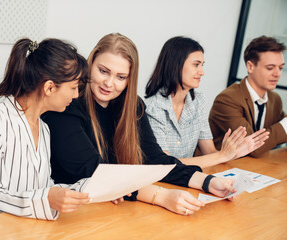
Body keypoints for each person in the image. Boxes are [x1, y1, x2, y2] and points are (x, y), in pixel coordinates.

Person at [42, 33, 237, 216]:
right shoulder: (66, 104)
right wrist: (160, 196)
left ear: (129, 79)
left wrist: (207, 182)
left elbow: (154, 159)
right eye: (103, 71)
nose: (109, 83)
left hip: (117, 206)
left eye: (120, 77)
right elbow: (95, 172)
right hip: (75, 212)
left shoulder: (132, 105)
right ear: (90, 64)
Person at [0, 38, 91, 223]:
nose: (76, 95)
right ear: (49, 87)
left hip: (23, 230)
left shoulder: (43, 129)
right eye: (74, 87)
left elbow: (42, 187)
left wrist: (88, 189)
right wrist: (47, 198)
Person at [144, 36, 269, 168]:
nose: (202, 72)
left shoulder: (198, 101)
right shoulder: (152, 107)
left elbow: (210, 152)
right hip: (159, 183)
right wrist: (221, 155)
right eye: (196, 65)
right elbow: (164, 165)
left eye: (202, 65)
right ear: (176, 64)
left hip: (186, 178)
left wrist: (235, 152)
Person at [209, 35, 286, 157]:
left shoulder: (274, 99)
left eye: (281, 68)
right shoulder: (227, 100)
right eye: (270, 68)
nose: (277, 74)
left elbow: (282, 129)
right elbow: (252, 148)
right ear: (250, 66)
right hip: (223, 168)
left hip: (255, 167)